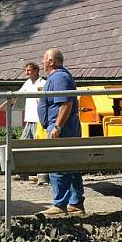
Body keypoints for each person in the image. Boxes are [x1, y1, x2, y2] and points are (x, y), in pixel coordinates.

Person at [37, 48, 85, 215]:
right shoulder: (58, 77)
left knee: (59, 164)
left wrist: (57, 126)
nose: (42, 62)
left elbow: (66, 104)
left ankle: (60, 204)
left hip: (62, 128)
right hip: (63, 126)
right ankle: (75, 203)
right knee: (70, 164)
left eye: (44, 59)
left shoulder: (59, 78)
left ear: (52, 61)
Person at [0, 62, 46, 140]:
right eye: (25, 71)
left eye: (28, 70)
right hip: (30, 119)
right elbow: (16, 96)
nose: (26, 73)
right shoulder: (27, 83)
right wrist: (2, 106)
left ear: (36, 70)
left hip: (38, 120)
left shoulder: (42, 83)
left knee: (37, 143)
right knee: (24, 142)